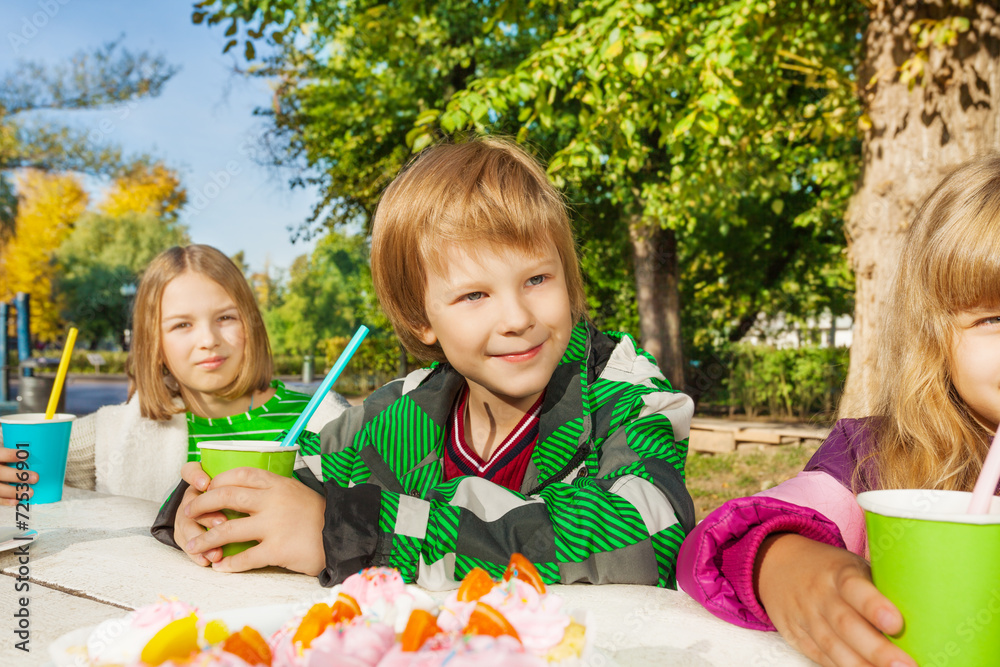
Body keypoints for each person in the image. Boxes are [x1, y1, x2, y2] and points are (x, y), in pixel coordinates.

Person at [154, 138, 696, 589]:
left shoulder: (627, 396)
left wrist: (348, 530)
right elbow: (300, 482)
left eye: (537, 279)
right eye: (474, 296)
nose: (516, 317)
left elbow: (645, 537)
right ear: (421, 319)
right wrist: (206, 504)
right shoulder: (399, 413)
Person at [676, 154, 1000, 667]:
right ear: (935, 336)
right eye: (993, 318)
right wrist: (782, 564)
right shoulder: (875, 457)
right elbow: (710, 547)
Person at [0, 244, 348, 512]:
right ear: (156, 343)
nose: (208, 339)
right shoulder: (115, 433)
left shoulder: (328, 421)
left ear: (251, 323)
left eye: (226, 317)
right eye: (182, 324)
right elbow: (24, 461)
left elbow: (378, 521)